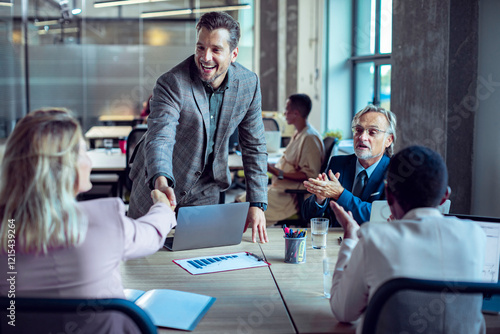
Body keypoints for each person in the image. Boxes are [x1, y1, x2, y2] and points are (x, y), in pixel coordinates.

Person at [0, 108, 176, 300]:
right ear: (67, 167)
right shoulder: (103, 222)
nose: (89, 159)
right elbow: (150, 235)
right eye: (84, 151)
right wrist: (162, 206)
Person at [128, 11, 269, 243]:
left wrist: (257, 203)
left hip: (206, 187)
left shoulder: (248, 84)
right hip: (159, 185)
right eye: (200, 47)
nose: (205, 57)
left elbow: (254, 146)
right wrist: (160, 180)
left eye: (215, 49)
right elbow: (160, 137)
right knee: (142, 259)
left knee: (197, 256)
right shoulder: (172, 82)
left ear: (233, 54)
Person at [329, 145, 486, 333]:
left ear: (388, 195)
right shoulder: (476, 235)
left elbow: (343, 312)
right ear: (445, 196)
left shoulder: (375, 239)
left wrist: (349, 238)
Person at [237, 94, 324, 225]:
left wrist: (275, 171)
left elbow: (309, 175)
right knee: (239, 200)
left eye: (287, 109)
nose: (284, 113)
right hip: (280, 188)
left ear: (296, 113)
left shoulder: (310, 138)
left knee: (243, 208)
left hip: (291, 196)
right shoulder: (299, 133)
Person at [302, 105, 396, 225]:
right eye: (358, 130)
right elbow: (307, 216)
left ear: (388, 140)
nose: (362, 137)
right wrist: (319, 199)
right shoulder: (337, 163)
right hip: (336, 239)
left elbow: (381, 217)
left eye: (372, 132)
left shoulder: (395, 171)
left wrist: (340, 194)